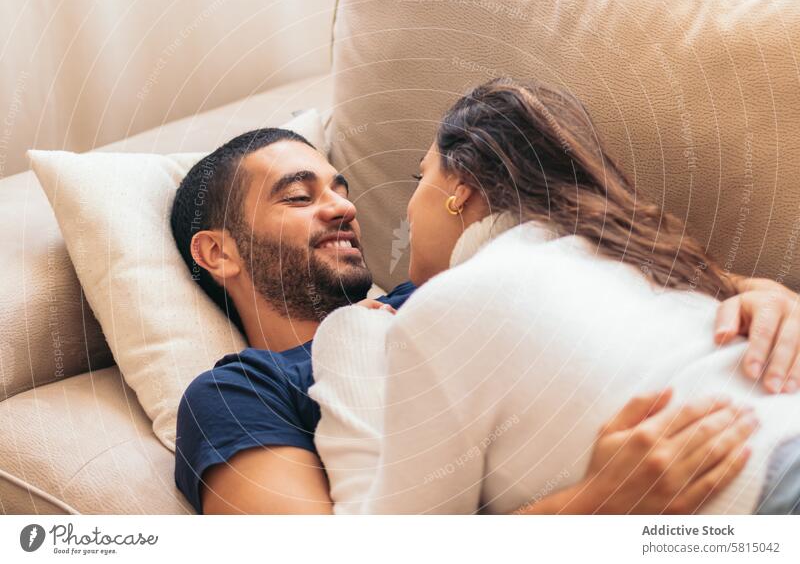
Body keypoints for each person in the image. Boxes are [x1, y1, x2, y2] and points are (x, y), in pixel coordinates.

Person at [170, 124, 800, 515]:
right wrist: (585, 511)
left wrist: (755, 294)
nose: (342, 208)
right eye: (300, 196)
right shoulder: (240, 393)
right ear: (217, 251)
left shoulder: (452, 288)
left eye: (340, 189)